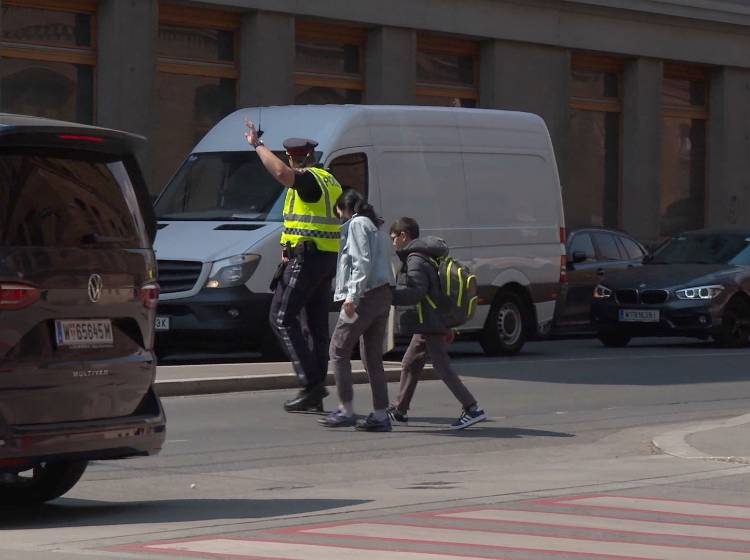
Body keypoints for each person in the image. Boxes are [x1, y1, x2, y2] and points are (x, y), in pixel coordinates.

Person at [244, 120, 341, 413]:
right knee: (314, 325)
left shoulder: (308, 180)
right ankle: (315, 386)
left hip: (308, 259)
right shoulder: (329, 179)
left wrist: (257, 145)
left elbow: (281, 174)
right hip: (323, 259)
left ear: (293, 157)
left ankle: (311, 384)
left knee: (281, 318)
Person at [388, 217, 487, 430]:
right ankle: (399, 410)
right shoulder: (426, 256)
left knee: (442, 367)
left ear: (403, 236)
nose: (393, 243)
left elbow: (416, 292)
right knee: (410, 362)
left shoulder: (415, 259)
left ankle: (472, 408)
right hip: (428, 320)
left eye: (393, 238)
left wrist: (389, 295)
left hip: (430, 320)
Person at [319, 190, 394, 432]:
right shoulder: (376, 226)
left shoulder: (358, 224)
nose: (340, 217)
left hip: (364, 295)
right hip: (382, 294)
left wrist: (352, 295)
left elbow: (361, 261)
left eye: (340, 212)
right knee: (372, 357)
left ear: (346, 208)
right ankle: (381, 415)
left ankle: (346, 409)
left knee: (338, 349)